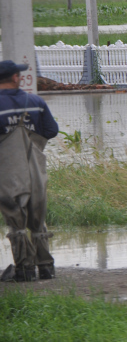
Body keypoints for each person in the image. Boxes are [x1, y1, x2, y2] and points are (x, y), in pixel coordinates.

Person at [0, 60, 59, 282]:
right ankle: (45, 267)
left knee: (16, 220)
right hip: (35, 168)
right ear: (15, 78)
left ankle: (24, 270)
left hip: (7, 172)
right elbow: (51, 131)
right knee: (37, 217)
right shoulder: (35, 102)